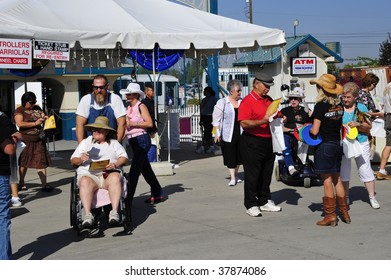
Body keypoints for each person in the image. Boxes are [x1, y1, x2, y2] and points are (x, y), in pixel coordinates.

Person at [70, 116, 128, 228]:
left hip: (108, 174)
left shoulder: (113, 143)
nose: (95, 131)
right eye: (94, 129)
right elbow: (73, 160)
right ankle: (87, 215)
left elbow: (124, 157)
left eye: (99, 129)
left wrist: (115, 164)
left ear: (106, 131)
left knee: (116, 177)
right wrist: (81, 159)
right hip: (90, 175)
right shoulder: (86, 143)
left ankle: (114, 212)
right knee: (84, 181)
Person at [238, 73, 282, 217]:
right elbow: (244, 122)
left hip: (269, 140)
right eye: (265, 86)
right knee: (252, 174)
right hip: (252, 141)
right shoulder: (247, 101)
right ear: (256, 84)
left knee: (266, 173)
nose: (267, 89)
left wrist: (282, 117)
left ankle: (264, 200)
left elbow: (276, 114)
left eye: (269, 86)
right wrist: (263, 121)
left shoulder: (268, 100)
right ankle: (250, 203)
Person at [120, 83, 165, 224]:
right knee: (145, 169)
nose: (127, 96)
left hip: (141, 139)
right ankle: (157, 192)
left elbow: (149, 123)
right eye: (127, 94)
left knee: (134, 171)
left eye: (130, 94)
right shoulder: (129, 108)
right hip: (134, 140)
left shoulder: (141, 106)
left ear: (136, 95)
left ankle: (128, 199)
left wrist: (133, 124)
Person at [309, 73, 349, 226]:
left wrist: (309, 125)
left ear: (321, 88)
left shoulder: (321, 106)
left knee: (326, 180)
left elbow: (315, 131)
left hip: (324, 144)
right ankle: (344, 212)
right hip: (337, 144)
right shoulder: (339, 105)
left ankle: (330, 215)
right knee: (337, 179)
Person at [340, 82, 380, 209]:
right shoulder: (338, 108)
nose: (345, 100)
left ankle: (372, 197)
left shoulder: (361, 108)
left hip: (361, 140)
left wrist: (358, 124)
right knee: (344, 170)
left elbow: (369, 126)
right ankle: (345, 197)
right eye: (344, 97)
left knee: (365, 168)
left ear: (355, 97)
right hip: (345, 142)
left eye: (348, 97)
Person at [14, 91, 53, 192]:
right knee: (24, 163)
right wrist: (35, 123)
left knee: (41, 162)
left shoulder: (37, 108)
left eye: (34, 101)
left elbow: (43, 115)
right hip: (26, 140)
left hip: (38, 140)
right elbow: (20, 123)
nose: (33, 104)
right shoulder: (20, 110)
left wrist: (45, 117)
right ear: (25, 101)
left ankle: (44, 185)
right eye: (31, 102)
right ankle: (22, 182)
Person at [75, 74, 126, 143]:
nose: (98, 90)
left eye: (101, 87)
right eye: (96, 88)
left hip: (111, 142)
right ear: (93, 87)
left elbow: (122, 124)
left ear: (107, 87)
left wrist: (116, 145)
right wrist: (81, 148)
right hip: (91, 144)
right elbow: (79, 125)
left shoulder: (115, 99)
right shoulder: (86, 100)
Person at [212, 79, 243, 187]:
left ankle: (236, 174)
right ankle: (232, 177)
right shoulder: (223, 102)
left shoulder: (242, 102)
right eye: (238, 90)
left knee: (239, 156)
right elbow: (216, 119)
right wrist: (216, 133)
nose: (240, 93)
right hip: (228, 133)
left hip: (241, 133)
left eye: (240, 90)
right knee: (230, 156)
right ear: (231, 91)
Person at [0, 112, 22, 260]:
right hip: (0, 173)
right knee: (2, 216)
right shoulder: (3, 121)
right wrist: (14, 139)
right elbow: (9, 149)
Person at [280, 87, 312, 176]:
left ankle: (305, 162)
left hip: (302, 135)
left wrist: (311, 116)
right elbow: (280, 127)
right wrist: (290, 129)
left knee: (306, 143)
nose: (293, 100)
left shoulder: (305, 111)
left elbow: (311, 125)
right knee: (286, 143)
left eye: (295, 99)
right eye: (291, 99)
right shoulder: (284, 111)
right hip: (289, 134)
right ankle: (290, 167)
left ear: (300, 100)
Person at [357, 73, 381, 160]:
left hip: (368, 124)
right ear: (369, 83)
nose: (374, 87)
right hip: (366, 125)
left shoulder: (365, 94)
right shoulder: (363, 95)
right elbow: (364, 113)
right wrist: (379, 114)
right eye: (374, 84)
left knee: (369, 148)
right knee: (367, 148)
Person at [376, 82, 391, 180]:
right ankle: (381, 170)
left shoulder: (387, 86)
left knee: (389, 143)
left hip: (388, 115)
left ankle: (382, 169)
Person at [196, 86, 217, 154]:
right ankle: (208, 145)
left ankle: (206, 145)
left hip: (210, 117)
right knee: (206, 131)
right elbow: (201, 110)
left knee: (208, 131)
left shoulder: (214, 99)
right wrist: (201, 119)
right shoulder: (204, 100)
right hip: (204, 117)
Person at [141, 83, 159, 162]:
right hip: (148, 129)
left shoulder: (153, 102)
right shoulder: (144, 102)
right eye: (151, 90)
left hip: (154, 127)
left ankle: (153, 160)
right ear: (146, 91)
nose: (153, 92)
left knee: (154, 145)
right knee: (151, 146)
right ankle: (150, 162)